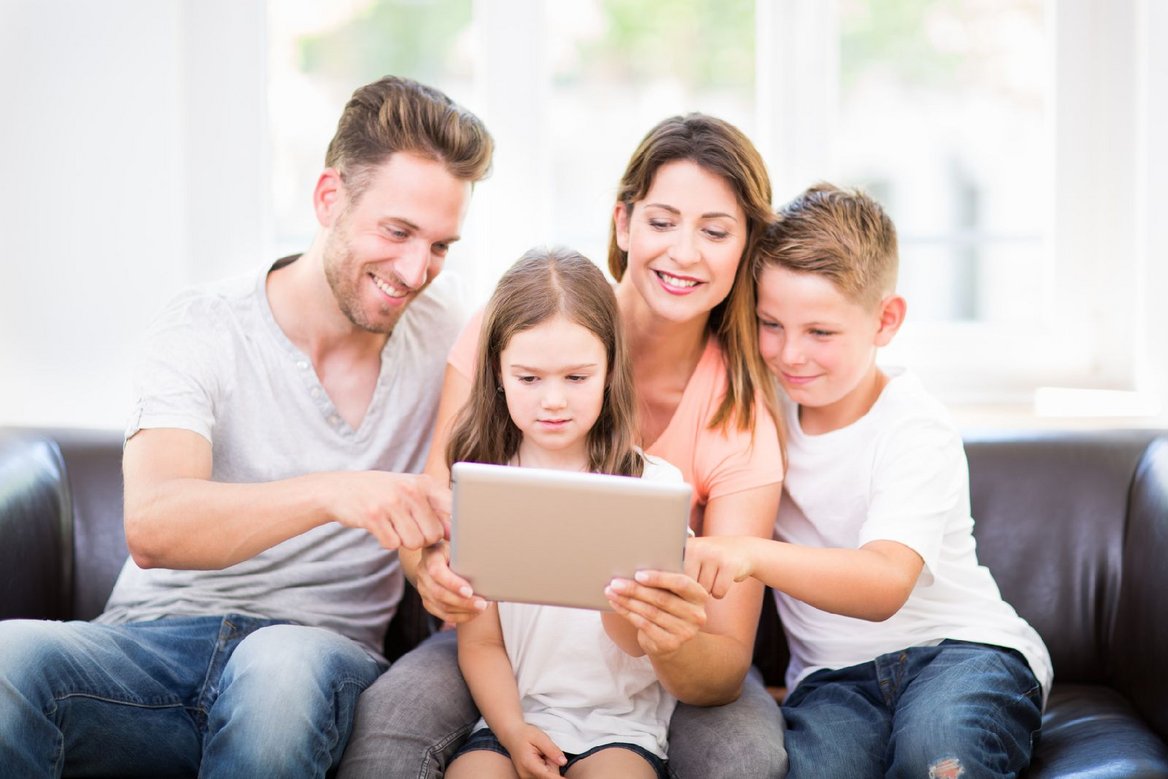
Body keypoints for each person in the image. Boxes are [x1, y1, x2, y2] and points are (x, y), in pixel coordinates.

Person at [0, 75, 493, 778]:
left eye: (441, 245)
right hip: (151, 650)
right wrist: (334, 491)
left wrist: (434, 567)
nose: (416, 271)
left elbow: (440, 505)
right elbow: (155, 526)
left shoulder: (447, 332)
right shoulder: (204, 326)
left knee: (277, 669)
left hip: (314, 657)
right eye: (397, 231)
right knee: (9, 658)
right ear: (329, 197)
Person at [339, 114, 788, 779]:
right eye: (662, 221)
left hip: (649, 672)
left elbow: (719, 659)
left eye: (716, 231)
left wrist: (660, 633)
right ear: (623, 224)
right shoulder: (521, 323)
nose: (685, 253)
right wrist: (432, 571)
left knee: (743, 760)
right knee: (386, 736)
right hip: (501, 645)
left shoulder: (737, 419)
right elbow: (434, 515)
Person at [686, 183, 1052, 777]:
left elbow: (884, 583)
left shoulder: (914, 425)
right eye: (770, 323)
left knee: (935, 752)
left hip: (958, 651)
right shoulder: (761, 409)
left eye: (820, 333)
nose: (790, 354)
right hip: (833, 682)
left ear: (886, 319)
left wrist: (748, 553)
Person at [444, 247, 681, 779]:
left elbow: (641, 644)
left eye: (576, 378)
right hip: (513, 717)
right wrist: (512, 731)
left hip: (621, 726)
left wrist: (615, 583)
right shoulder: (483, 484)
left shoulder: (652, 487)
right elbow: (480, 642)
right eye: (529, 379)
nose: (553, 401)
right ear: (498, 373)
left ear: (610, 371)